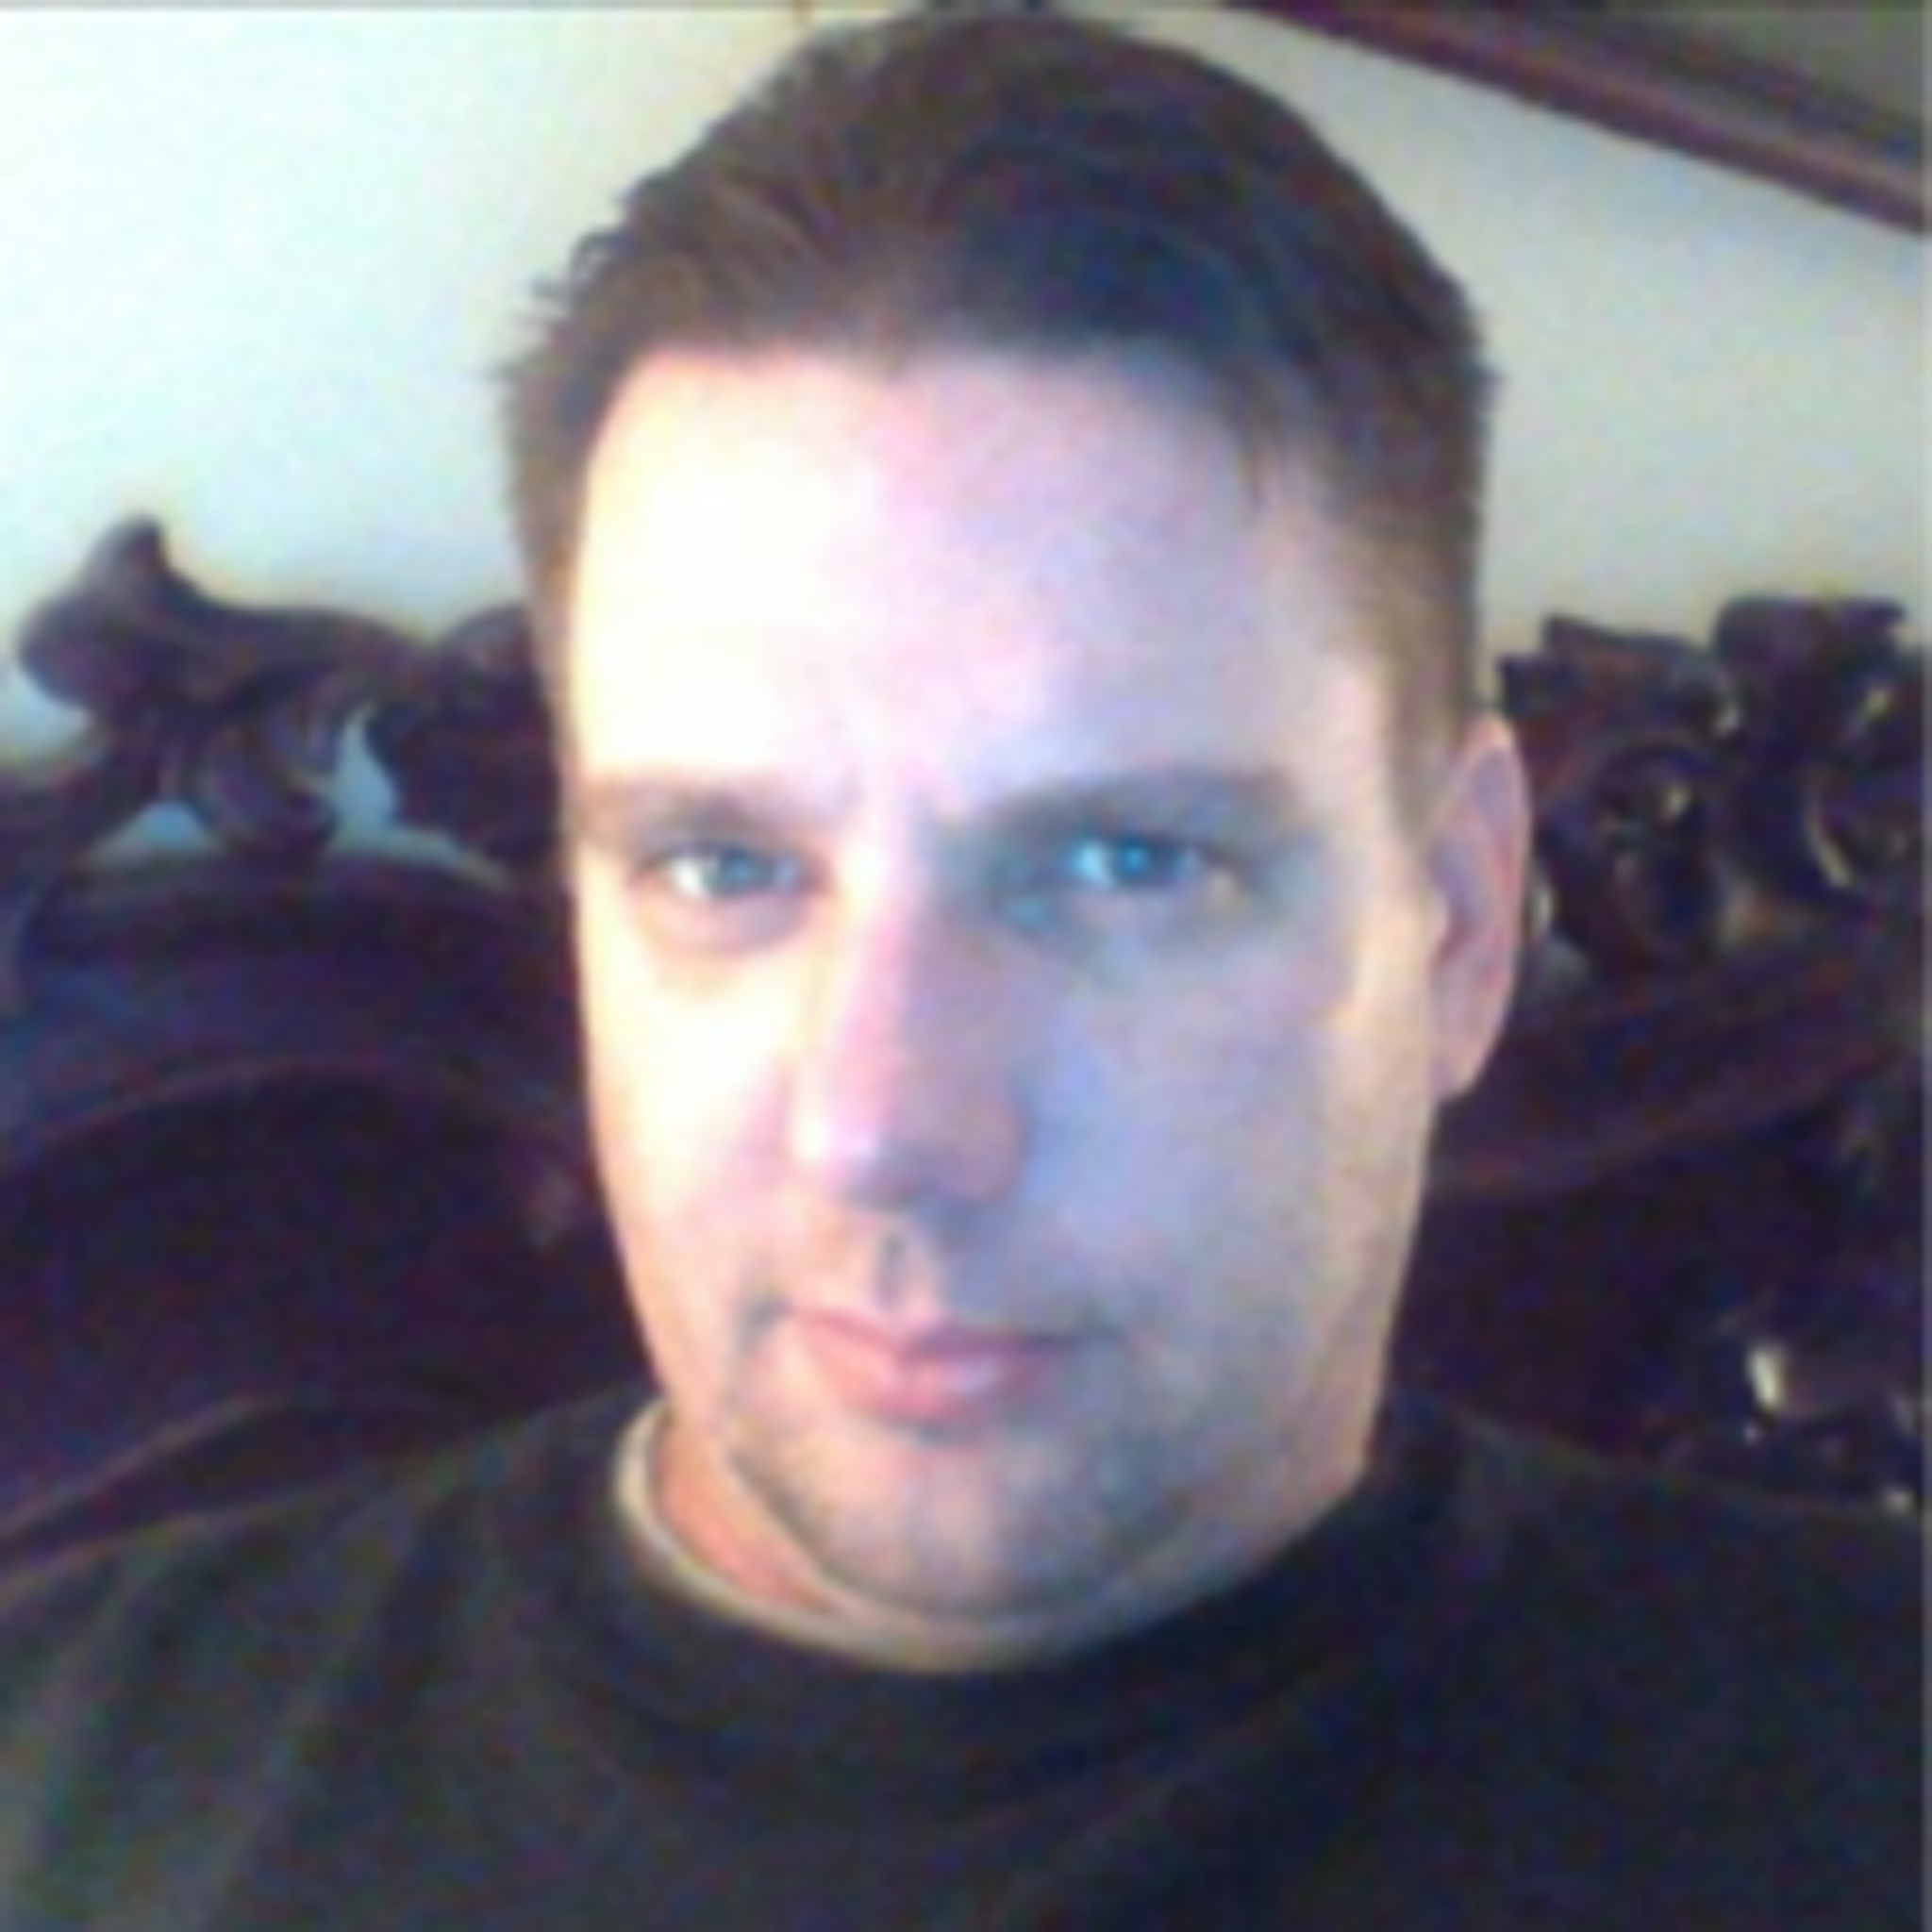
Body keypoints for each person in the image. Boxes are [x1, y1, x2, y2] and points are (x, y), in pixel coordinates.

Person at [1, 8, 1925, 1928]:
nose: (885, 1129)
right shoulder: (64, 1781)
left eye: (1126, 861)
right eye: (723, 865)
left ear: (1458, 918)